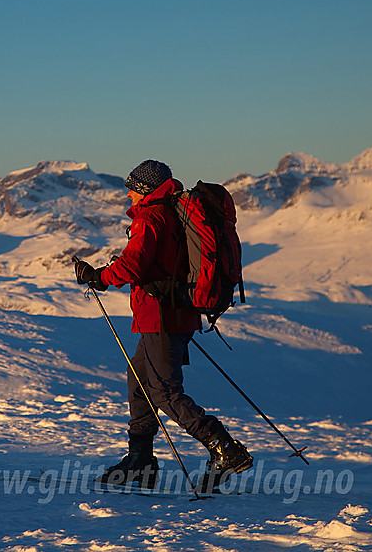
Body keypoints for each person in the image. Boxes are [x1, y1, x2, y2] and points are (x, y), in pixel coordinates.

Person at [74, 159, 252, 491]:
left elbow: (134, 264)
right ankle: (139, 462)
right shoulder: (171, 211)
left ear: (143, 189)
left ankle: (223, 448)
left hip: (161, 316)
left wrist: (98, 277)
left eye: (131, 187)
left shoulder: (151, 216)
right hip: (175, 313)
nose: (127, 194)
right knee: (140, 381)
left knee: (164, 391)